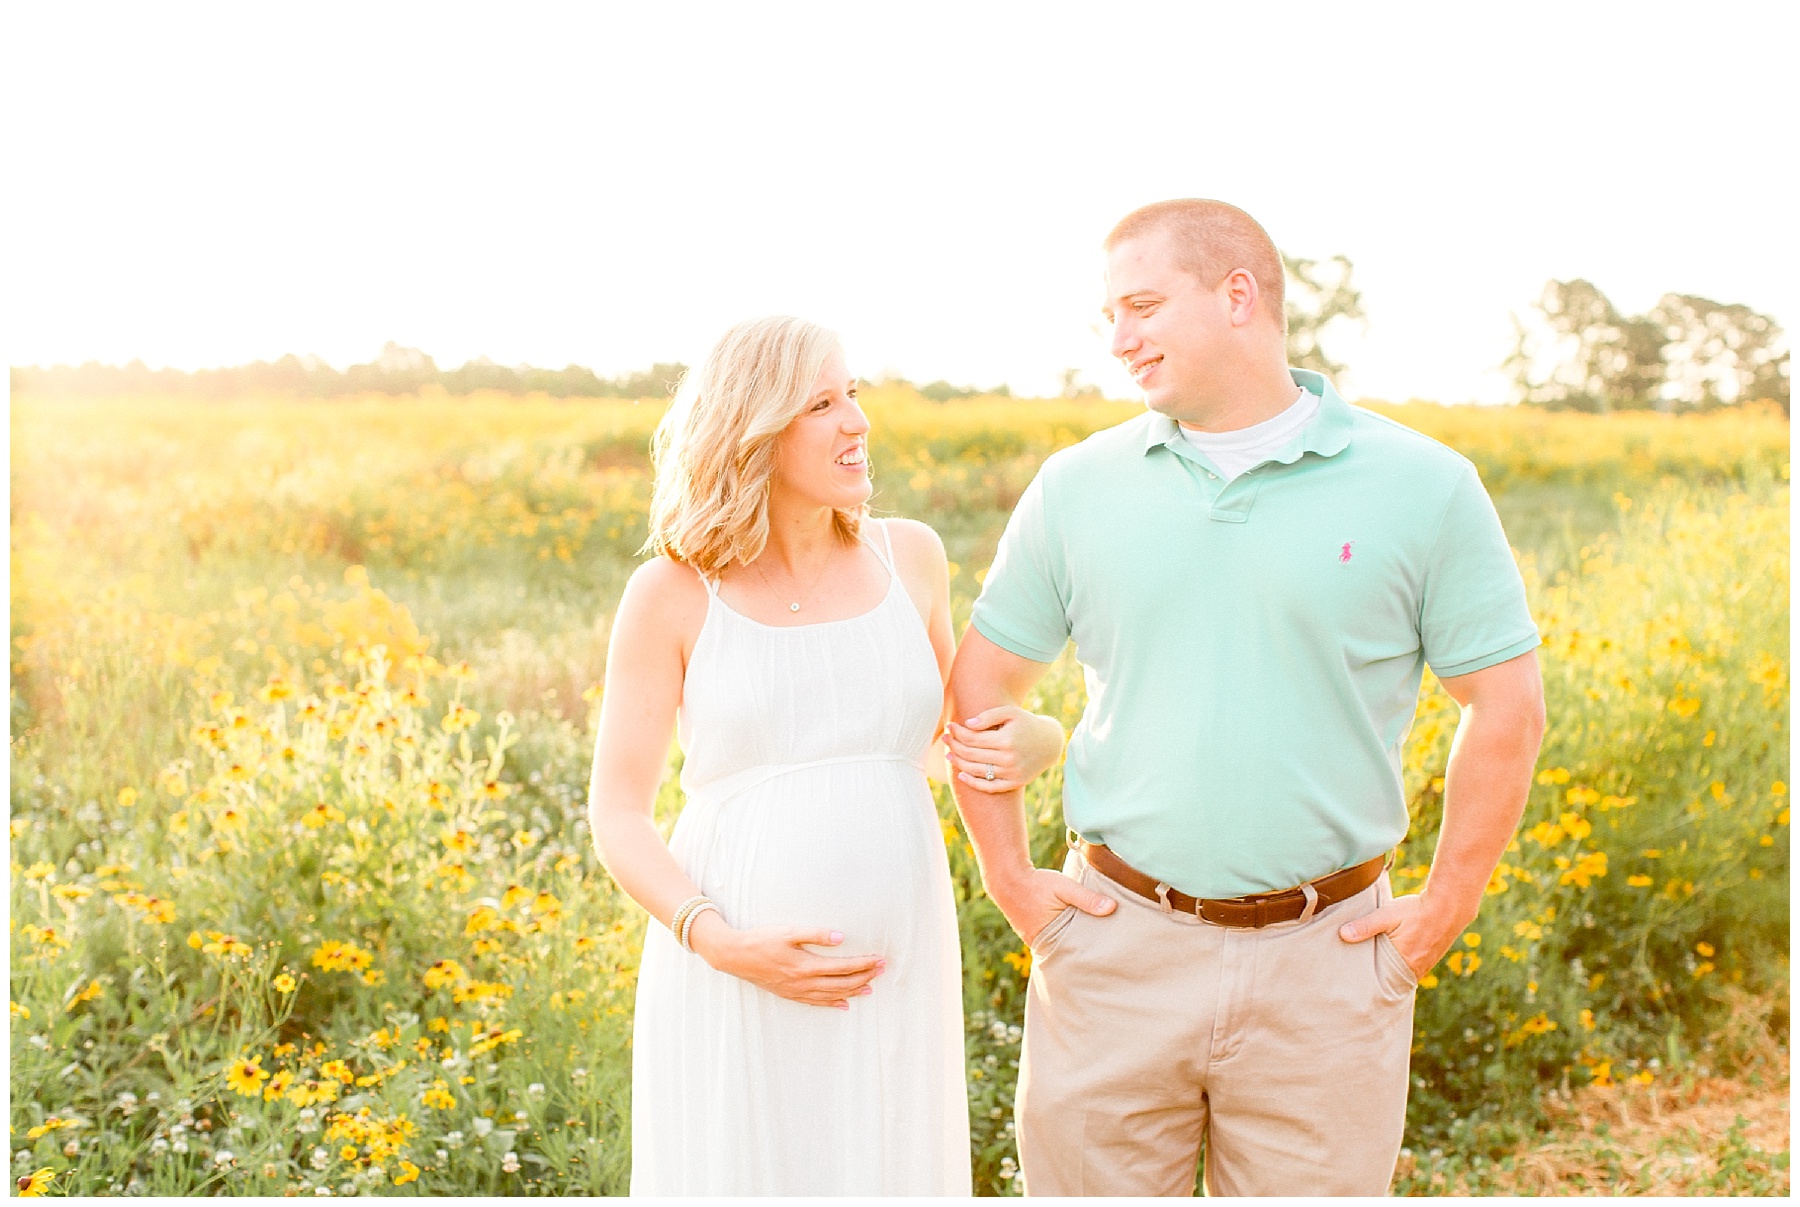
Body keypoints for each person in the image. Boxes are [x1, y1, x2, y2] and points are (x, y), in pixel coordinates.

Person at [944, 200, 1547, 1196]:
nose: (1120, 338)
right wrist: (1010, 878)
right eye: (1110, 315)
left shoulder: (1425, 485)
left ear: (1237, 296)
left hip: (1328, 967)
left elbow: (1507, 707)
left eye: (1142, 306)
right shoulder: (1076, 487)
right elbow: (978, 691)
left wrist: (1447, 904)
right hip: (1113, 954)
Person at [585, 315, 1064, 1195]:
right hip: (734, 968)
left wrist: (1044, 737)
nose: (857, 421)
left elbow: (945, 741)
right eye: (821, 404)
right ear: (754, 429)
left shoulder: (911, 557)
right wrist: (721, 941)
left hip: (898, 968)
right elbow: (617, 811)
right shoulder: (672, 593)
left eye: (853, 394)